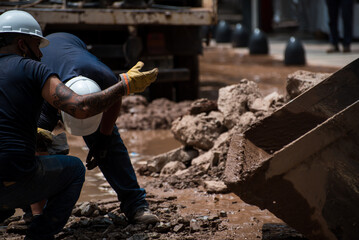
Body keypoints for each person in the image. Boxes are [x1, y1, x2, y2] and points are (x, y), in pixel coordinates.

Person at [0, 10, 157, 240]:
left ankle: (135, 204)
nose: (41, 54)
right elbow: (82, 108)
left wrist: (102, 138)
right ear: (23, 44)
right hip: (14, 179)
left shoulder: (101, 75)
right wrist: (125, 85)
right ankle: (38, 230)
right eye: (37, 46)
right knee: (70, 167)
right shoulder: (34, 70)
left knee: (37, 142)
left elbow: (110, 105)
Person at [37, 32, 160, 224]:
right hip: (48, 53)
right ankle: (31, 211)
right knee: (31, 145)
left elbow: (115, 99)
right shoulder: (46, 92)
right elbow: (36, 152)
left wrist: (103, 137)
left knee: (111, 145)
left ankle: (136, 205)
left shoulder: (105, 78)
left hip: (73, 45)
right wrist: (38, 215)